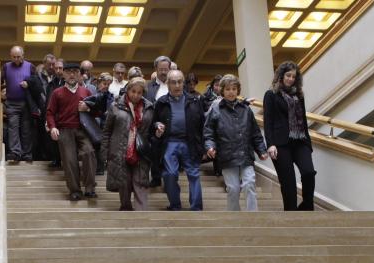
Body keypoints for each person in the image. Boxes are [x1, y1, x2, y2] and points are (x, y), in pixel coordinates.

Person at [204, 74, 268, 211]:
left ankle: (253, 217)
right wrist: (210, 147)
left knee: (249, 183)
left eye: (234, 89)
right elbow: (208, 133)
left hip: (245, 154)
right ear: (222, 91)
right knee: (233, 188)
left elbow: (255, 133)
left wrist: (261, 150)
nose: (231, 92)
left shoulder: (245, 109)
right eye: (227, 89)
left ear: (238, 90)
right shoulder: (215, 109)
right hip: (227, 155)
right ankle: (235, 217)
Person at [263, 61, 316, 211]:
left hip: (300, 141)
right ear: (281, 76)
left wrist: (308, 144)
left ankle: (306, 207)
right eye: (288, 75)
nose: (291, 79)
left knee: (309, 172)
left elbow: (304, 121)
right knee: (288, 184)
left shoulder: (299, 95)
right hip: (281, 144)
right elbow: (268, 122)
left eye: (294, 76)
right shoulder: (271, 95)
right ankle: (291, 215)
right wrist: (270, 144)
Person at [152, 70, 206, 210]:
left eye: (180, 82)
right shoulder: (161, 102)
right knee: (169, 174)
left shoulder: (195, 101)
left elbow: (202, 124)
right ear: (168, 84)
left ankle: (196, 207)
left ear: (183, 83)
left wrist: (204, 146)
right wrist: (157, 125)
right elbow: (154, 121)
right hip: (169, 142)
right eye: (173, 82)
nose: (177, 85)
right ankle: (175, 205)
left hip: (190, 142)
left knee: (194, 174)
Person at [47, 61, 98, 201]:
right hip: (64, 130)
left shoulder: (86, 91)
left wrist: (88, 109)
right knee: (69, 160)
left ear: (80, 75)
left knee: (89, 153)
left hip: (82, 129)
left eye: (75, 72)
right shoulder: (57, 93)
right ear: (63, 74)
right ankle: (75, 190)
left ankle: (90, 188)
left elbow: (95, 112)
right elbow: (50, 112)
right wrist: (53, 127)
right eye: (68, 72)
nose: (71, 74)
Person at [101, 77, 154, 211]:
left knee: (140, 182)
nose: (135, 95)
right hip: (120, 150)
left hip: (140, 151)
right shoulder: (115, 106)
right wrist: (104, 153)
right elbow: (106, 131)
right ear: (128, 90)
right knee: (124, 182)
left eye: (139, 92)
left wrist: (157, 128)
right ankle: (126, 209)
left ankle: (141, 214)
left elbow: (151, 129)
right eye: (133, 91)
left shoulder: (149, 108)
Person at [2, 46, 35, 164]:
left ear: (23, 55)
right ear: (10, 56)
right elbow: (0, 82)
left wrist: (28, 84)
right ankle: (16, 153)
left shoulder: (30, 66)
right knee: (13, 128)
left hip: (26, 103)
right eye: (14, 57)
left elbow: (36, 83)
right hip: (11, 103)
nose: (16, 59)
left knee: (26, 129)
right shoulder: (6, 67)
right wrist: (2, 92)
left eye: (18, 57)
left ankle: (27, 154)